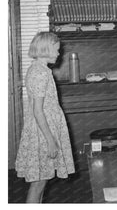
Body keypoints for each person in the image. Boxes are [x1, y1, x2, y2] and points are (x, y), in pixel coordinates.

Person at [15, 32, 75, 203]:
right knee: (39, 183)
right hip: (43, 133)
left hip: (43, 128)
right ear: (45, 50)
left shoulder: (39, 69)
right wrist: (50, 140)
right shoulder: (40, 73)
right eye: (56, 50)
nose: (58, 54)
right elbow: (38, 110)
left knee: (42, 181)